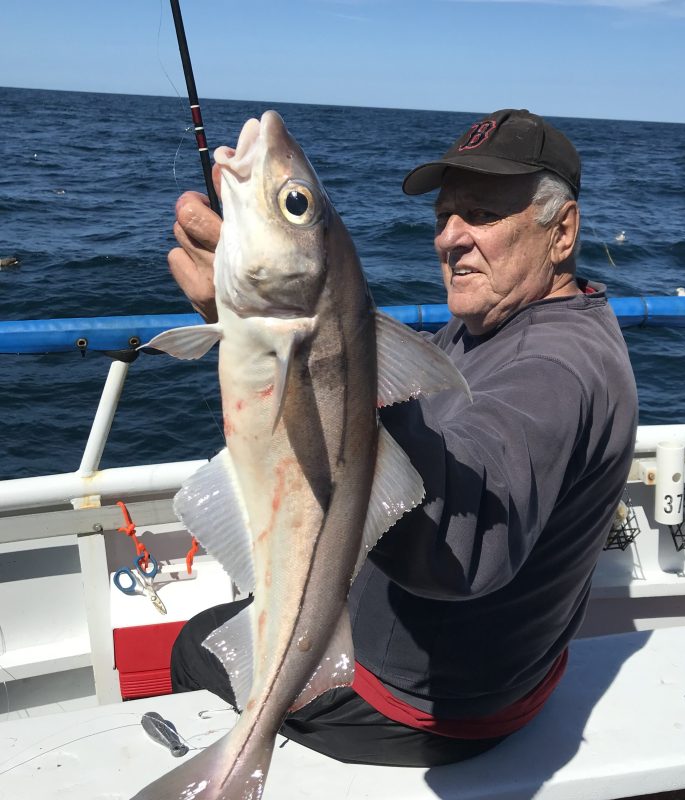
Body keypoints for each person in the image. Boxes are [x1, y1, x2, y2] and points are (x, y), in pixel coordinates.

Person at [168, 109, 638, 767]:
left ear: (561, 233)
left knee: (191, 644)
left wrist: (315, 356)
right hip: (492, 670)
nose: (451, 237)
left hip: (429, 706)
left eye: (481, 213)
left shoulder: (555, 368)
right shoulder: (487, 327)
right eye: (444, 216)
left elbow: (465, 552)